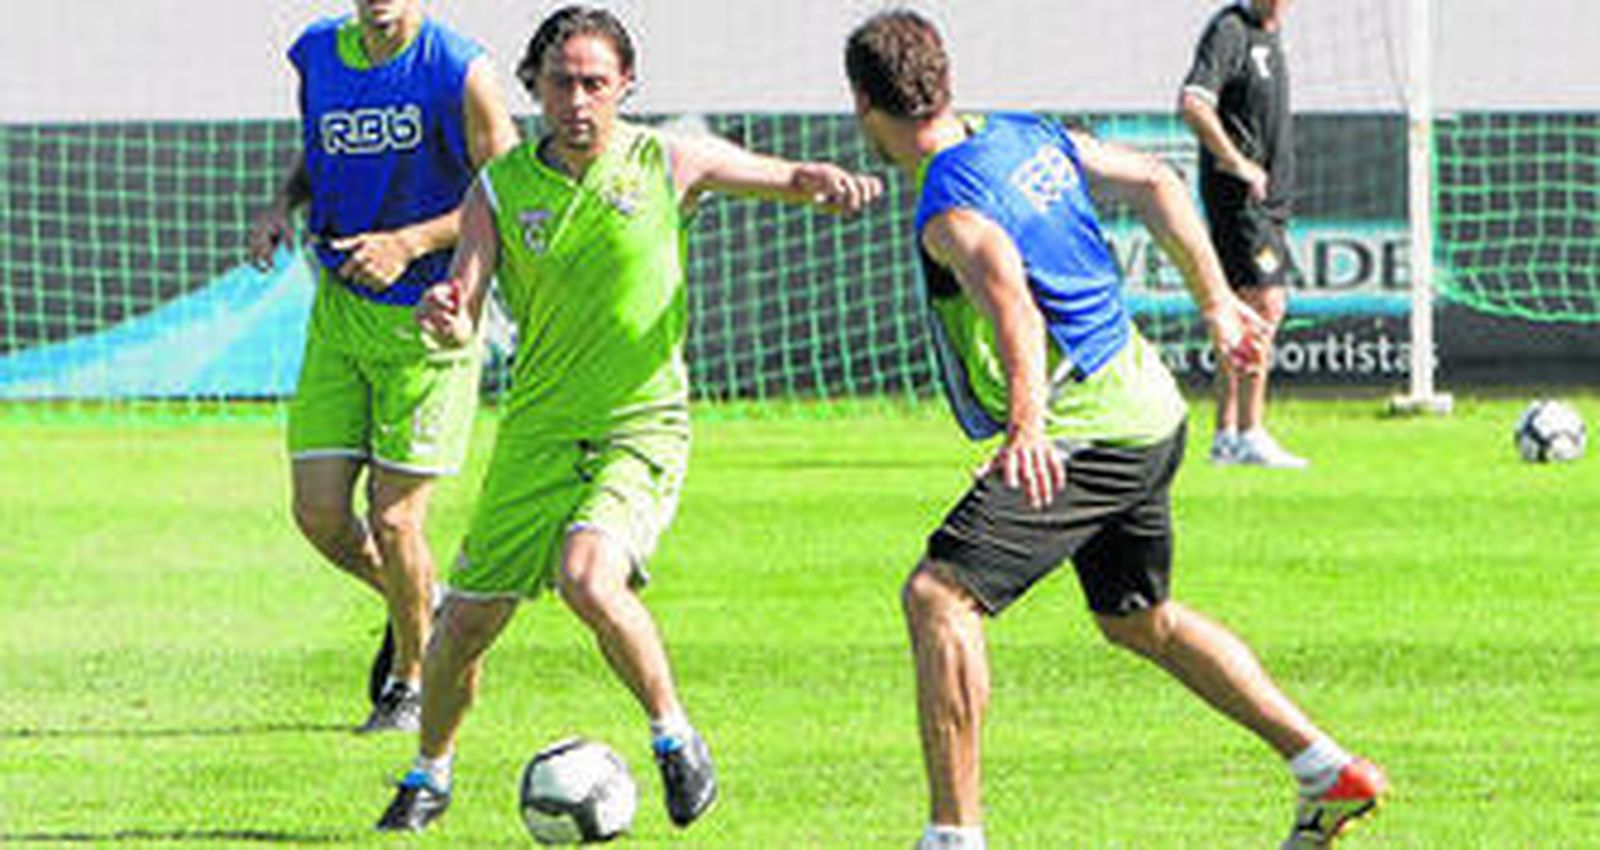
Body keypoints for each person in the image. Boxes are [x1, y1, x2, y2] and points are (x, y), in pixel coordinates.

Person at [844, 11, 1385, 850]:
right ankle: (1325, 770)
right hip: (1150, 408)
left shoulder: (949, 203)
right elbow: (1160, 183)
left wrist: (1025, 424)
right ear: (944, 80)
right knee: (1140, 619)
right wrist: (1214, 302)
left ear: (861, 104)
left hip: (1086, 427)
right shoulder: (1025, 133)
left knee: (939, 595)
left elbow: (1008, 297)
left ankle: (953, 838)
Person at [375, 5, 882, 833]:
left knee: (587, 577)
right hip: (537, 434)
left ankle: (675, 739)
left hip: (638, 428)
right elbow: (466, 302)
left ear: (625, 87)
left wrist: (815, 183)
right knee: (462, 624)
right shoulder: (499, 188)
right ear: (533, 85)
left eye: (595, 83)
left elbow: (778, 176)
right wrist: (448, 312)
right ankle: (429, 774)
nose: (578, 99)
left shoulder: (665, 159)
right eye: (563, 82)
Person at [247, 0, 519, 733]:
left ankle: (408, 680)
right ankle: (423, 608)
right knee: (320, 515)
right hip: (338, 315)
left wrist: (409, 242)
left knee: (396, 522)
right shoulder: (317, 52)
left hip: (427, 320)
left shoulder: (461, 69)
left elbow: (514, 188)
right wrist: (283, 203)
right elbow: (320, 152)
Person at [1180, 0, 1308, 468]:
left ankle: (1227, 436)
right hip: (1242, 201)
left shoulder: (1269, 34)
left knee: (1242, 311)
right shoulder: (1230, 29)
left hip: (1268, 203)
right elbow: (1193, 102)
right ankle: (1250, 432)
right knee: (1267, 305)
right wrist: (1235, 162)